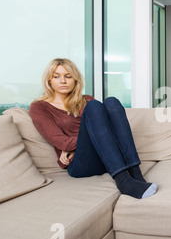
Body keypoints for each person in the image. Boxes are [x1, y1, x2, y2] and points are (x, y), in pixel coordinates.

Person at [30, 58, 157, 199]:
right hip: (80, 165)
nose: (63, 81)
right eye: (56, 76)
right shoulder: (39, 107)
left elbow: (108, 129)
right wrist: (76, 147)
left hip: (107, 158)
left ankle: (135, 173)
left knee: (112, 102)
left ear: (75, 79)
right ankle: (123, 180)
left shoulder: (86, 99)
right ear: (49, 80)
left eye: (68, 76)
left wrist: (75, 145)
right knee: (94, 107)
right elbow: (61, 142)